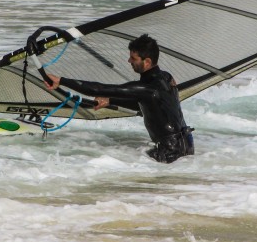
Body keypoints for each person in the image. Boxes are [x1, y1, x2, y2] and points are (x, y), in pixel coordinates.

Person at [44, 34, 194, 163]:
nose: (129, 61)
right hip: (187, 144)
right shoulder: (167, 78)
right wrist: (110, 101)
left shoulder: (147, 89)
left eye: (133, 58)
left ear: (147, 62)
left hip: (170, 151)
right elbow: (148, 106)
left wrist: (61, 81)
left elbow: (99, 89)